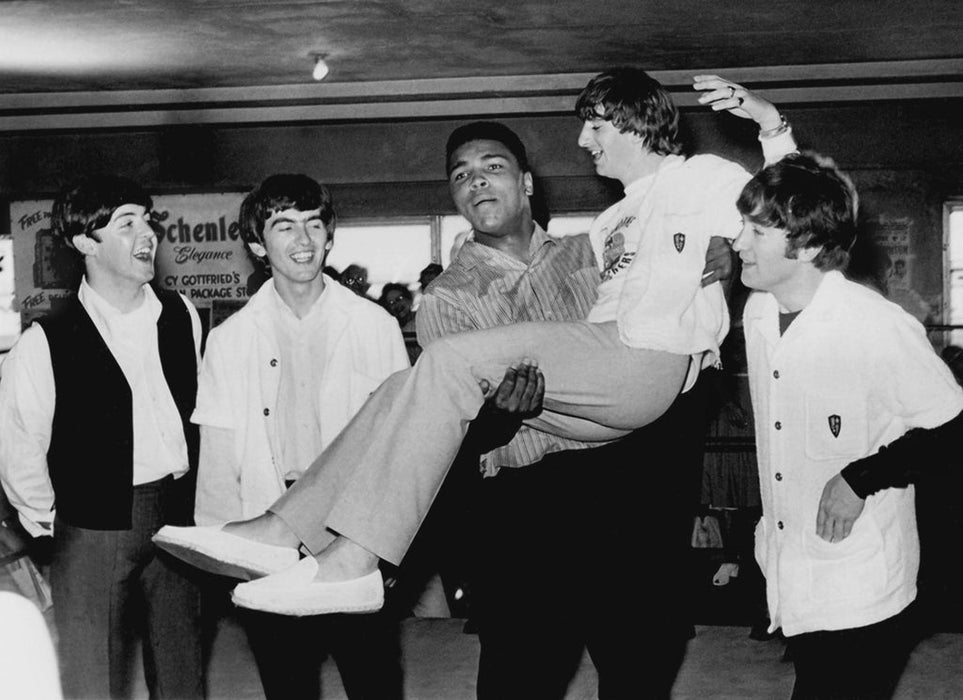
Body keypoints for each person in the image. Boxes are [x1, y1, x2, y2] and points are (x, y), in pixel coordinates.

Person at [153, 69, 795, 619]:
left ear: (635, 123)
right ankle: (281, 528)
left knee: (451, 358)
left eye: (595, 127)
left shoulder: (702, 177)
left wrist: (765, 146)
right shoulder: (608, 224)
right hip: (605, 388)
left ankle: (356, 557)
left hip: (649, 365)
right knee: (403, 384)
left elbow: (789, 203)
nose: (581, 141)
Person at [733, 152, 963, 698]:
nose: (738, 241)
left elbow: (955, 430)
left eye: (755, 230)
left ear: (808, 245)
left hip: (862, 584)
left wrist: (863, 477)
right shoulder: (759, 313)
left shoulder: (875, 325)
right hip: (792, 571)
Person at [190, 174, 408, 699]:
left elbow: (401, 443)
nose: (303, 240)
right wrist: (228, 555)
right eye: (284, 226)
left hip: (352, 534)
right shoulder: (229, 340)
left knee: (372, 680)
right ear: (257, 244)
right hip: (272, 540)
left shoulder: (374, 325)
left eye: (314, 223)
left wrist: (396, 546)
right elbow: (218, 458)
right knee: (287, 685)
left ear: (331, 234)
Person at [0, 175, 205, 699]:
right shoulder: (45, 341)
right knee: (91, 675)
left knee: (182, 667)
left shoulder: (181, 315)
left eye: (147, 218)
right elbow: (19, 448)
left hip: (177, 514)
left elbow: (196, 411)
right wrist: (58, 520)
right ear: (85, 242)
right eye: (126, 222)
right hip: (90, 526)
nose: (147, 233)